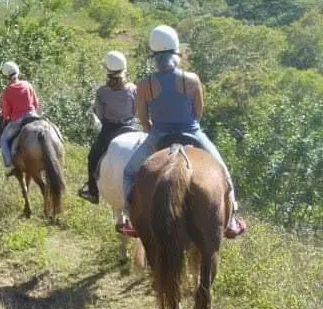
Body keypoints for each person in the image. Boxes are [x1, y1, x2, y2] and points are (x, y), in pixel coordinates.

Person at [118, 25, 247, 239]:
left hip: (159, 134)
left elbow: (142, 117)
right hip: (192, 132)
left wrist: (153, 131)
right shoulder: (192, 79)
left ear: (154, 56)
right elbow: (198, 112)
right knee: (223, 171)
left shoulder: (144, 84)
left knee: (129, 173)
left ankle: (131, 218)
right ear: (176, 53)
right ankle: (232, 219)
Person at [78, 51, 139, 204]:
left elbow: (100, 115)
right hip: (131, 127)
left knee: (92, 157)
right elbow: (135, 110)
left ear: (107, 70)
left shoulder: (102, 92)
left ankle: (93, 192)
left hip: (109, 130)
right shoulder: (132, 88)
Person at [0, 62, 41, 176]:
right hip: (34, 116)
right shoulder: (28, 84)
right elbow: (36, 103)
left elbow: (6, 114)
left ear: (6, 76)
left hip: (18, 121)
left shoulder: (7, 91)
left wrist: (5, 114)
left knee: (3, 140)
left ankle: (9, 166)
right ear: (17, 72)